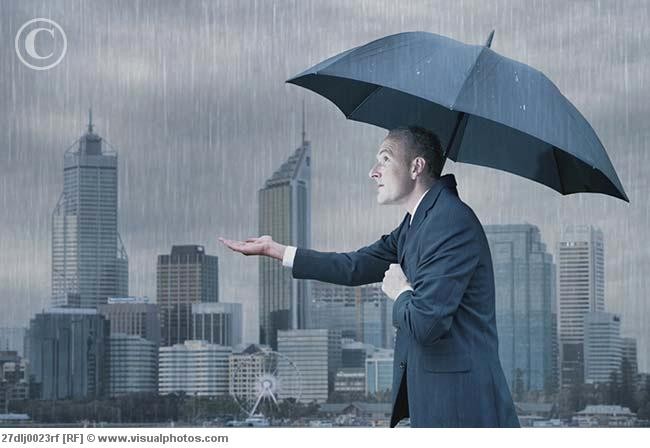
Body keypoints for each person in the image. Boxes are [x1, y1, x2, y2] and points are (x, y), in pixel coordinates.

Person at [220, 126, 519, 428]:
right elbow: (355, 265)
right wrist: (277, 250)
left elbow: (428, 325)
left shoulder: (449, 222)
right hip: (441, 400)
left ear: (417, 167)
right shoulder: (417, 223)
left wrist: (400, 292)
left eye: (385, 160)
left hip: (464, 405)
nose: (373, 172)